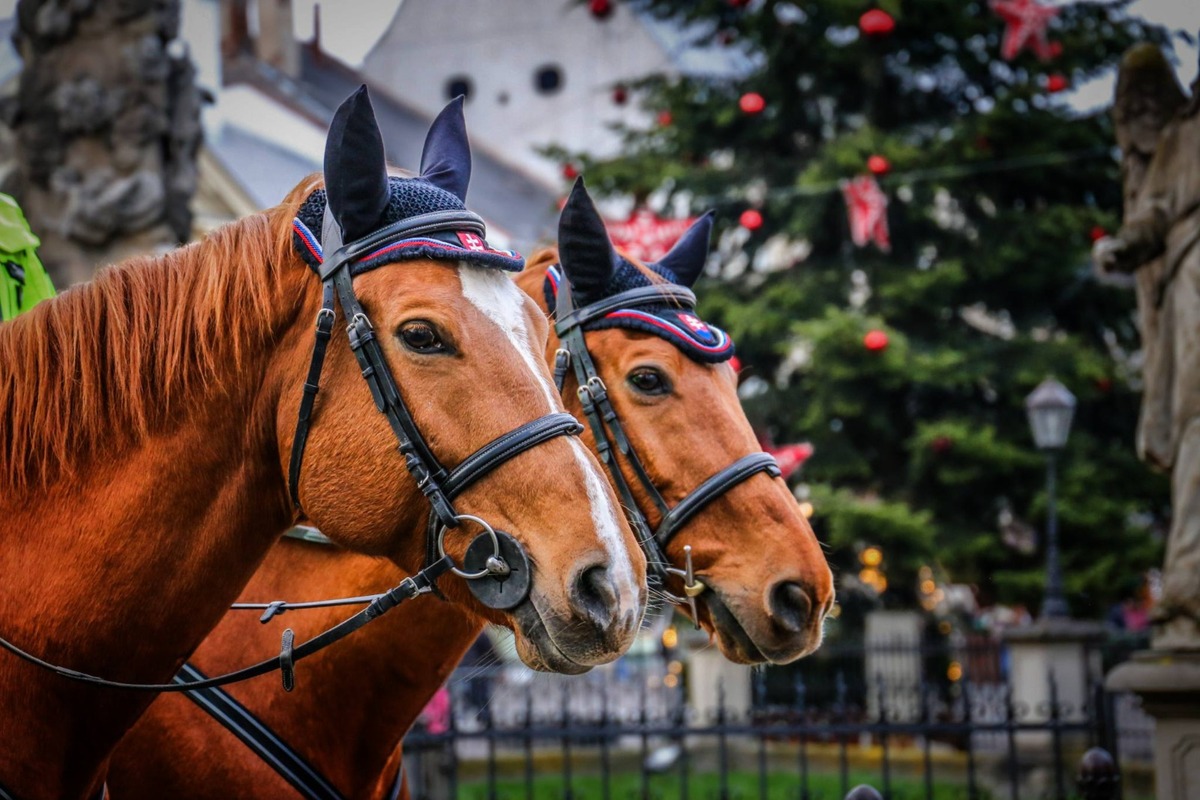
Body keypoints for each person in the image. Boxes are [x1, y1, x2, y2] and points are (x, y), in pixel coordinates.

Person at [1093, 44, 1200, 650]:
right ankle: (1187, 592)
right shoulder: (1186, 132)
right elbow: (1156, 209)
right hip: (1191, 275)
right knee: (1196, 427)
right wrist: (1123, 245)